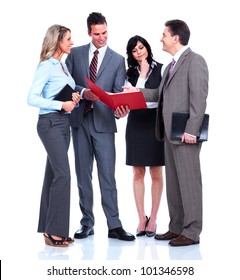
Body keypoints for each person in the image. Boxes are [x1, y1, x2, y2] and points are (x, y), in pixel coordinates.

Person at [123, 19, 209, 246]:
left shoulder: (195, 61)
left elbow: (199, 99)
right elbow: (157, 95)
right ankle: (176, 227)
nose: (161, 38)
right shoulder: (171, 66)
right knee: (174, 182)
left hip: (185, 134)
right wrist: (135, 92)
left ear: (175, 38)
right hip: (169, 133)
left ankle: (191, 232)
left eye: (164, 35)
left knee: (189, 182)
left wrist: (192, 130)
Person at [65, 12, 135, 241]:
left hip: (104, 124)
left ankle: (114, 225)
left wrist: (120, 110)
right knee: (83, 175)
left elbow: (116, 92)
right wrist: (84, 92)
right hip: (80, 122)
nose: (102, 37)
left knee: (108, 176)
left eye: (105, 33)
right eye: (97, 34)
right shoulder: (74, 54)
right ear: (89, 33)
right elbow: (65, 83)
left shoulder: (117, 60)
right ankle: (87, 223)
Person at [27, 24, 80, 247]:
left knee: (53, 175)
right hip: (49, 124)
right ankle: (55, 232)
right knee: (63, 175)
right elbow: (32, 98)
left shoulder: (63, 67)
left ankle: (49, 228)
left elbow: (63, 95)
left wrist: (73, 99)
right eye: (68, 39)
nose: (72, 42)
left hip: (62, 123)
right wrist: (61, 104)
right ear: (58, 41)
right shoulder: (46, 66)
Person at [125, 35, 164, 237]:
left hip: (155, 122)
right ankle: (141, 219)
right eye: (134, 50)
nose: (139, 52)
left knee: (156, 173)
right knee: (137, 172)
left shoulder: (163, 68)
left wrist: (148, 75)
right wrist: (143, 74)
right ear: (131, 54)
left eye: (141, 47)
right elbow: (131, 100)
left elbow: (159, 96)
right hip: (136, 123)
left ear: (147, 48)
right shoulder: (129, 73)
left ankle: (154, 219)